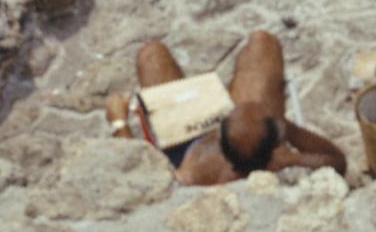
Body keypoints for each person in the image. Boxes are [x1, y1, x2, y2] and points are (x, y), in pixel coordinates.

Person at [120, 28, 351, 190]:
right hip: (260, 138)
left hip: (184, 144)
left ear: (221, 135)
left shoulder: (189, 177)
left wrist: (118, 123)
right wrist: (285, 128)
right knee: (262, 42)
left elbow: (140, 177)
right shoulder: (282, 159)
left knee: (151, 54)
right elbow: (336, 161)